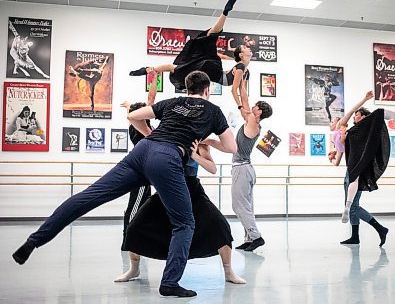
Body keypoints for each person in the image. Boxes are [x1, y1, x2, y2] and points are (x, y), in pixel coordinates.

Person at [12, 70, 237, 298]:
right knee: (185, 224)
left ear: (187, 88)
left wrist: (149, 134)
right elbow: (232, 148)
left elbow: (133, 116)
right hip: (167, 158)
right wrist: (208, 140)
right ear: (207, 90)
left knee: (90, 196)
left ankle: (33, 241)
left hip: (143, 151)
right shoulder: (213, 111)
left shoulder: (173, 102)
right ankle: (169, 283)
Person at [121, 140, 246, 284]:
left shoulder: (199, 142)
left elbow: (212, 169)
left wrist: (195, 156)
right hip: (167, 187)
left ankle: (228, 271)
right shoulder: (167, 138)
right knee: (134, 227)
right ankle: (134, 269)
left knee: (221, 227)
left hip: (192, 189)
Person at [130, 0, 252, 109]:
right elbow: (235, 90)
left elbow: (242, 91)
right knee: (177, 65)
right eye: (246, 48)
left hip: (212, 69)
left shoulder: (243, 68)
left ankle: (225, 12)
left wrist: (245, 107)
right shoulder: (241, 66)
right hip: (213, 71)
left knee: (208, 38)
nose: (249, 48)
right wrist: (241, 107)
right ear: (241, 55)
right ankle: (225, 12)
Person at [205, 93, 272, 252]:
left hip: (242, 169)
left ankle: (256, 237)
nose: (252, 108)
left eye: (255, 107)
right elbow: (227, 148)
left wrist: (241, 84)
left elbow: (245, 105)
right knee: (247, 207)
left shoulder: (254, 124)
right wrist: (207, 141)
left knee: (238, 206)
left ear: (259, 112)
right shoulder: (249, 125)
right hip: (243, 168)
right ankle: (249, 239)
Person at [113, 74, 158, 282]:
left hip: (144, 173)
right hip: (141, 175)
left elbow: (146, 102)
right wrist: (153, 77)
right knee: (134, 209)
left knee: (138, 208)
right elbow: (149, 101)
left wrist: (153, 78)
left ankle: (134, 239)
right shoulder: (143, 129)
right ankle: (129, 240)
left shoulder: (138, 124)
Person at [336, 91, 395, 247]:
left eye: (357, 116)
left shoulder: (365, 131)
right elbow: (344, 149)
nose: (354, 117)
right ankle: (355, 236)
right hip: (350, 171)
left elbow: (379, 115)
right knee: (352, 207)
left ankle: (380, 229)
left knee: (353, 207)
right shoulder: (353, 132)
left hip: (358, 173)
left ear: (363, 117)